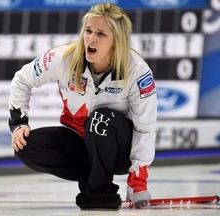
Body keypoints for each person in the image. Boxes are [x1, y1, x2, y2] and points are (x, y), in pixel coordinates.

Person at [8, 3, 157, 210]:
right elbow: (21, 79)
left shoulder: (137, 70)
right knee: (26, 147)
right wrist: (18, 123)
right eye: (88, 31)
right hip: (81, 142)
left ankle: (99, 191)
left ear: (116, 40)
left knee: (100, 118)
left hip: (119, 152)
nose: (91, 39)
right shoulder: (63, 58)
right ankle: (95, 173)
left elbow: (145, 127)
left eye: (101, 34)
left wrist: (138, 179)